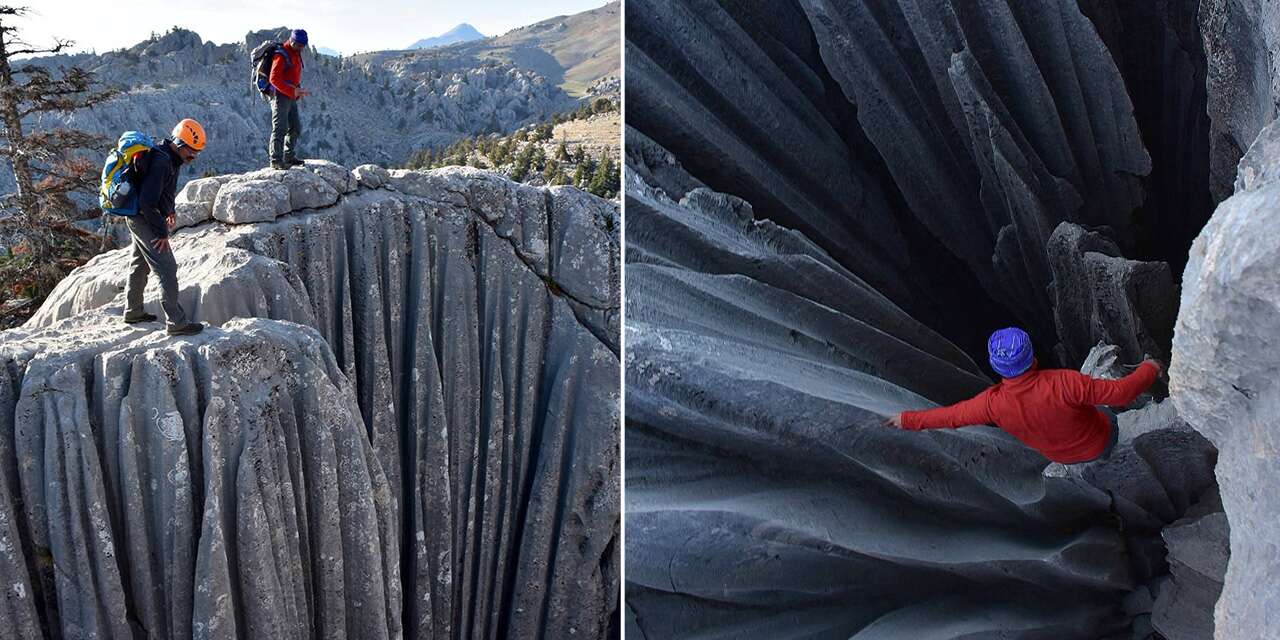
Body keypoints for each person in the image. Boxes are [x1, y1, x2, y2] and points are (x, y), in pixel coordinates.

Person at [885, 327, 1161, 464]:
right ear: (1032, 358)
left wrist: (907, 419)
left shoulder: (991, 405)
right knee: (1105, 408)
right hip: (1102, 441)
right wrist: (1150, 368)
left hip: (1061, 457)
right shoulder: (1064, 383)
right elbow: (1122, 394)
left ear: (996, 367)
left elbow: (951, 416)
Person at [122, 118, 206, 336]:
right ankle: (176, 322)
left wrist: (169, 210)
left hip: (139, 216)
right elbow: (147, 202)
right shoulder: (161, 162)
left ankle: (133, 311)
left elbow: (166, 190)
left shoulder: (170, 157)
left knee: (139, 264)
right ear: (180, 143)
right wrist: (161, 233)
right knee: (167, 268)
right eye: (192, 150)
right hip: (142, 217)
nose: (193, 156)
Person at [267, 29, 310, 169]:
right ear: (292, 41)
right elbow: (273, 79)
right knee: (280, 128)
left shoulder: (296, 53)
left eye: (303, 46)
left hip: (291, 96)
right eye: (298, 45)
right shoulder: (281, 55)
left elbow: (293, 75)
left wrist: (298, 90)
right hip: (280, 96)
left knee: (295, 127)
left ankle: (289, 156)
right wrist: (293, 90)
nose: (301, 48)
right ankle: (276, 161)